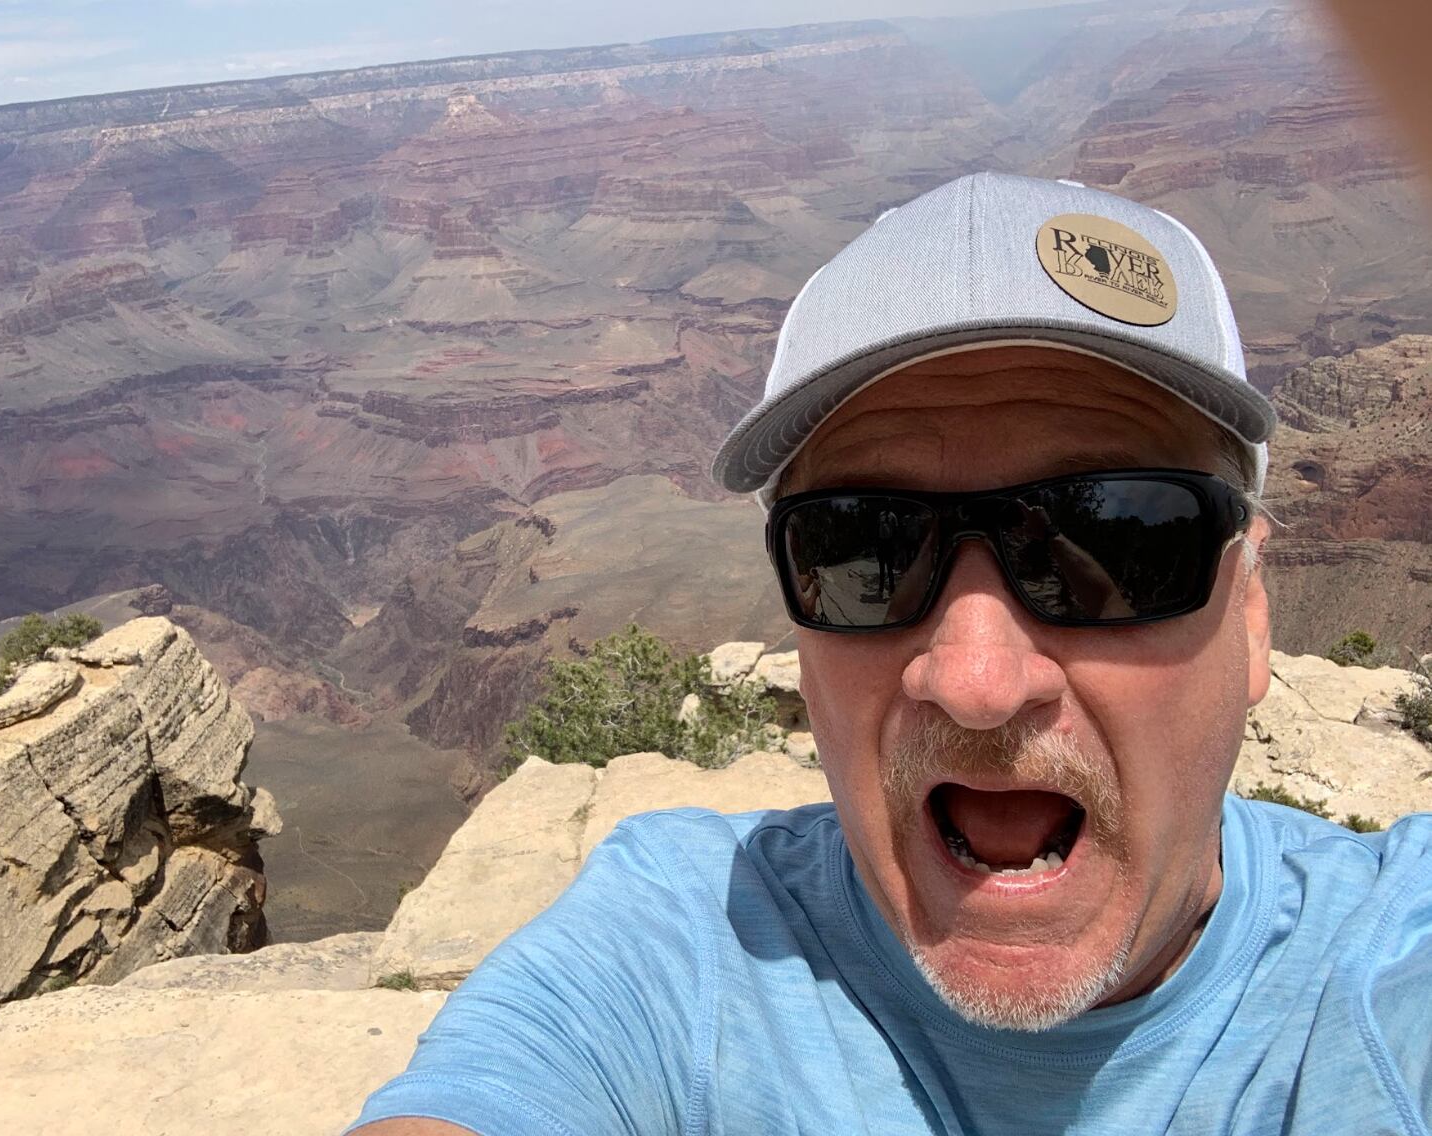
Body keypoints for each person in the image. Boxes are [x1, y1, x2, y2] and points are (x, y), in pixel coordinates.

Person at [349, 173, 1431, 1135]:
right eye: (864, 544)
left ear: (1248, 613)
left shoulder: (1392, 964)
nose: (973, 679)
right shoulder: (681, 938)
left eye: (1111, 536)